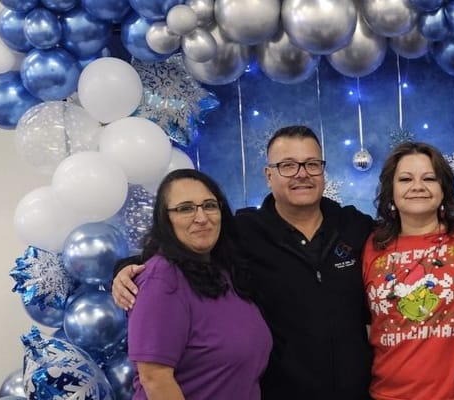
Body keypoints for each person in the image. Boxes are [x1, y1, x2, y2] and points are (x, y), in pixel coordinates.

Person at [115, 126, 374, 400]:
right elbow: (177, 252)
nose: (302, 174)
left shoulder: (356, 227)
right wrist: (123, 271)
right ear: (269, 176)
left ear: (322, 170)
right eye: (288, 165)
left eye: (312, 164)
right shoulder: (242, 232)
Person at [127, 168, 271, 400]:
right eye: (185, 208)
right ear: (165, 219)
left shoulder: (223, 270)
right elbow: (154, 378)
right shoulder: (162, 279)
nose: (202, 218)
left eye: (210, 205)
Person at [363, 142, 454, 400]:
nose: (418, 186)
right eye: (405, 179)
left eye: (429, 178)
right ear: (391, 190)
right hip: (385, 394)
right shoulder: (371, 246)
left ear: (443, 188)